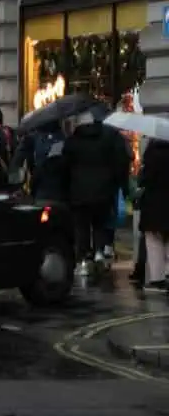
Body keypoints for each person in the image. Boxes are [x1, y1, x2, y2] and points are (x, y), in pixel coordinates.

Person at [61, 109, 132, 274]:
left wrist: (67, 187)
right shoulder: (109, 137)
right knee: (100, 223)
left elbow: (64, 166)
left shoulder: (73, 140)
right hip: (103, 189)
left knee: (81, 226)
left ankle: (84, 259)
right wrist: (117, 183)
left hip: (78, 191)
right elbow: (120, 160)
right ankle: (99, 252)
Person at [136, 137, 169, 291]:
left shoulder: (151, 155)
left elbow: (143, 180)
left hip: (153, 205)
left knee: (154, 241)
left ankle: (157, 279)